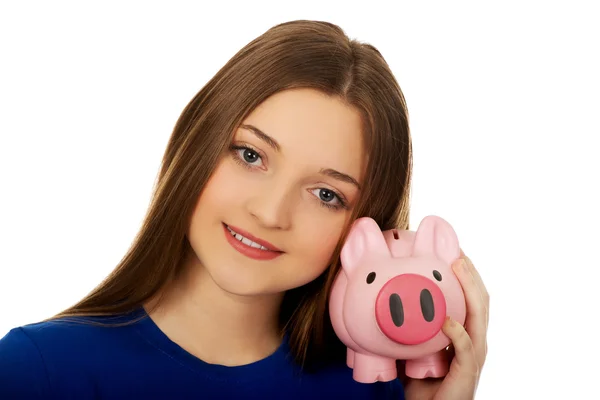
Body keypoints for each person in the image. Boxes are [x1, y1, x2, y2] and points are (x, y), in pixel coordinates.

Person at [0, 20, 489, 399]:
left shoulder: (377, 389)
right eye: (251, 155)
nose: (271, 213)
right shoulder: (35, 370)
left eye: (326, 195)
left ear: (365, 233)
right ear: (197, 142)